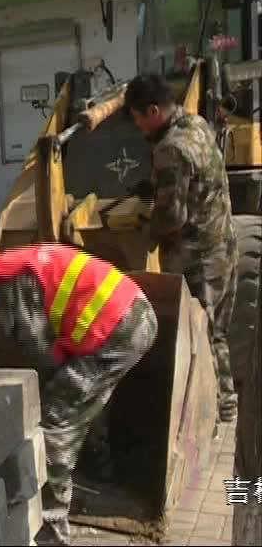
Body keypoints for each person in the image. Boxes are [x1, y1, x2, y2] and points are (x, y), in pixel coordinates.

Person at [0, 227, 158, 546]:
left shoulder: (5, 285)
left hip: (118, 329)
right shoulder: (9, 266)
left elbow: (45, 359)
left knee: (55, 417)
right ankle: (98, 469)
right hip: (129, 315)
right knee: (81, 396)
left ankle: (51, 527)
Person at [125, 73, 238, 423]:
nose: (139, 128)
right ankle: (226, 404)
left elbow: (171, 217)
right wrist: (154, 185)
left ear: (154, 111)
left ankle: (217, 410)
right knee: (216, 330)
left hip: (197, 259)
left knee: (200, 334)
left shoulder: (169, 149)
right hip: (222, 245)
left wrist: (141, 230)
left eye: (139, 119)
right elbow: (193, 180)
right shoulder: (198, 125)